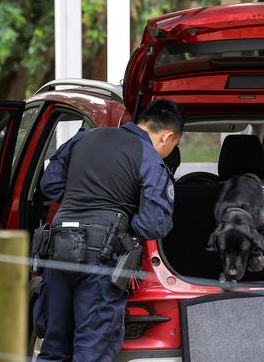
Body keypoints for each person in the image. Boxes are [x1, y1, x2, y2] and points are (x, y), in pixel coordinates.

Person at [35, 100, 183, 362]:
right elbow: (152, 224)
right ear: (167, 136)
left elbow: (50, 184)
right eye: (172, 146)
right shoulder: (148, 156)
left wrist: (79, 199)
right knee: (92, 350)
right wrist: (124, 220)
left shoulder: (85, 137)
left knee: (54, 346)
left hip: (57, 248)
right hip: (101, 255)